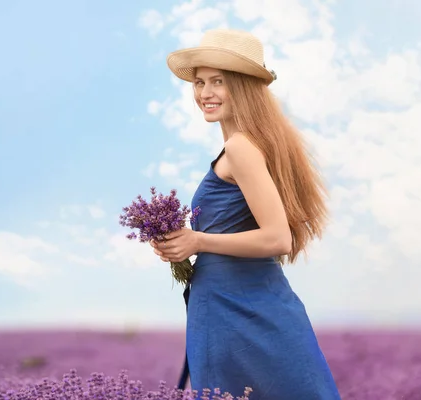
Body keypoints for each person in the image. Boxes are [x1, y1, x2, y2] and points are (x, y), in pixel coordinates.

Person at [150, 29, 342, 399]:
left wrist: (197, 240)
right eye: (200, 82)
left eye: (218, 81)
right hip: (251, 303)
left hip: (235, 310)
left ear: (243, 86)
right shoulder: (252, 145)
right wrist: (180, 245)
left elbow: (277, 238)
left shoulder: (240, 148)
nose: (204, 93)